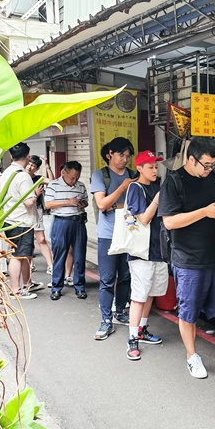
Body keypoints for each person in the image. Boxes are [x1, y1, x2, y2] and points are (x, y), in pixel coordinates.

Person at [158, 137, 215, 379]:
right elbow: (170, 221)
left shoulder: (214, 177)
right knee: (189, 311)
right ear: (190, 159)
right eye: (205, 165)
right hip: (188, 258)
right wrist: (204, 212)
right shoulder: (174, 182)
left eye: (212, 165)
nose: (209, 170)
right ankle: (191, 356)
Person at [124, 151, 169, 361]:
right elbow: (143, 219)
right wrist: (159, 199)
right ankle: (132, 338)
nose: (154, 170)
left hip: (158, 250)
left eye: (156, 166)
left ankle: (142, 330)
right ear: (139, 168)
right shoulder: (135, 188)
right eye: (150, 166)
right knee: (139, 296)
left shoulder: (156, 187)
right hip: (141, 252)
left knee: (151, 293)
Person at [91, 138, 136, 340]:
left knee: (126, 277)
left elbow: (137, 205)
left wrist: (115, 206)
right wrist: (122, 188)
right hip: (108, 235)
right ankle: (106, 320)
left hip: (130, 233)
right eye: (121, 155)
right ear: (110, 154)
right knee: (108, 280)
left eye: (128, 156)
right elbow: (102, 204)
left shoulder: (134, 175)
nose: (125, 160)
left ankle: (120, 312)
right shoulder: (100, 176)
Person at [0, 142, 40, 300]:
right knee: (18, 255)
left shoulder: (7, 172)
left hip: (10, 218)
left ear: (11, 156)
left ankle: (26, 284)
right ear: (28, 156)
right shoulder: (23, 176)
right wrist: (35, 193)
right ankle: (16, 290)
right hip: (22, 220)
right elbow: (29, 202)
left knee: (21, 254)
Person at [44, 161, 89, 300]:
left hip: (78, 221)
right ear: (64, 172)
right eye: (72, 178)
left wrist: (82, 203)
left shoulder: (81, 186)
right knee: (59, 255)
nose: (74, 181)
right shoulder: (53, 185)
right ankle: (56, 287)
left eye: (77, 177)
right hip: (61, 222)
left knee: (80, 256)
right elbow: (48, 204)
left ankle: (80, 287)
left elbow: (86, 201)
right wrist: (67, 202)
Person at [25, 155, 54, 276]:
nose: (30, 167)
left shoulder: (38, 178)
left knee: (41, 239)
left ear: (36, 168)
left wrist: (47, 166)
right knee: (27, 239)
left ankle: (50, 265)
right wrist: (35, 194)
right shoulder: (21, 177)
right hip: (24, 210)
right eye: (29, 164)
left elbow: (52, 182)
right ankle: (30, 265)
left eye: (33, 166)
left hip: (36, 210)